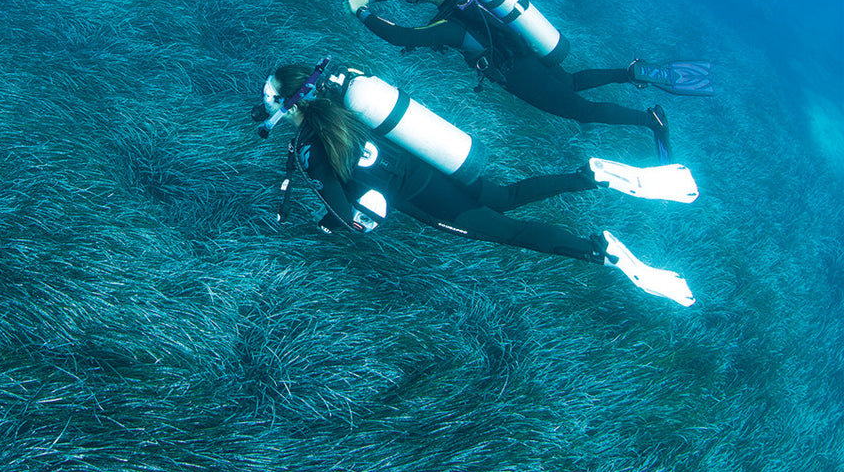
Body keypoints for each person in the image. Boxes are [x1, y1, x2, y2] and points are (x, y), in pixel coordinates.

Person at [254, 62, 696, 306]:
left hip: (427, 201)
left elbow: (344, 215)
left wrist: (335, 225)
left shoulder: (312, 149)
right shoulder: (338, 104)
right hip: (435, 168)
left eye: (270, 98)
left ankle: (602, 251)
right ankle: (590, 176)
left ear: (288, 104)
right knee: (505, 197)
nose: (266, 105)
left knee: (515, 234)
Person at [346, 0, 712, 163]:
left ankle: (650, 120)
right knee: (569, 83)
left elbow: (403, 37)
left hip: (515, 71)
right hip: (525, 48)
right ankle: (629, 72)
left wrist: (361, 13)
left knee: (579, 110)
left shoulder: (450, 27)